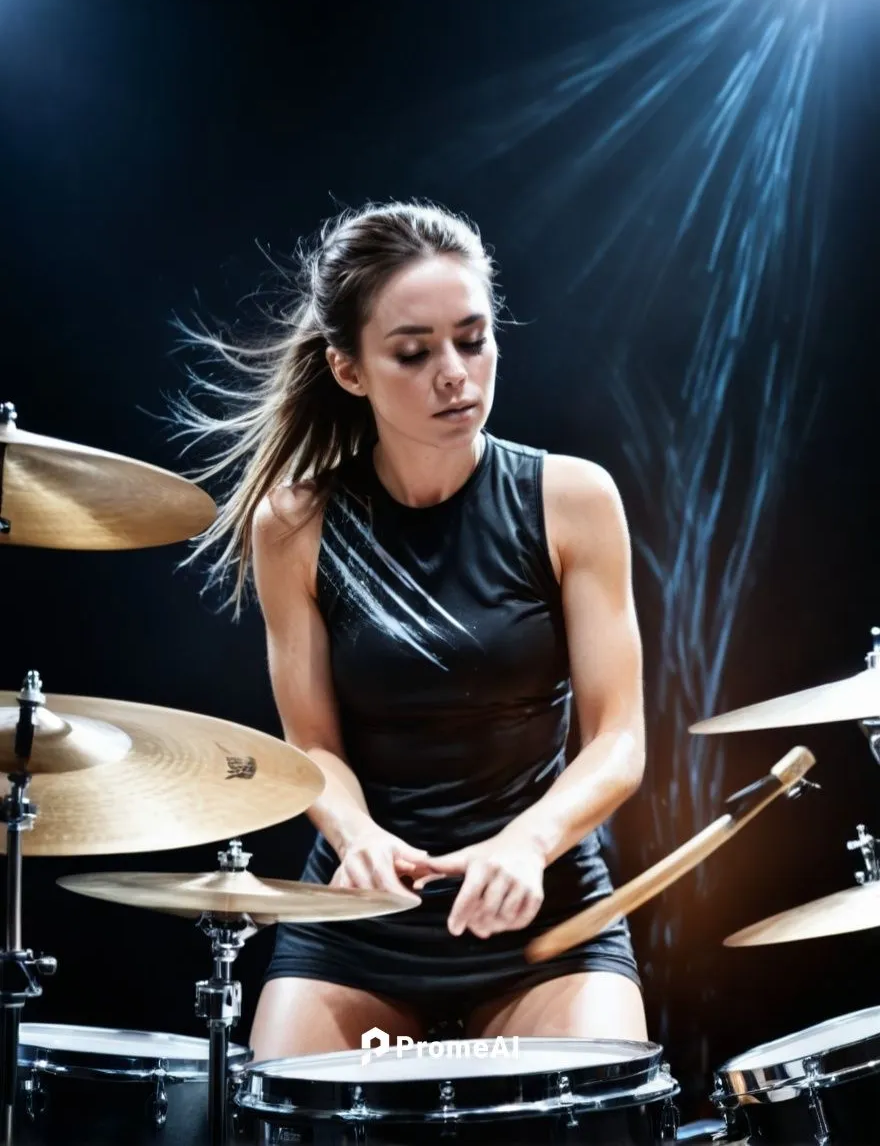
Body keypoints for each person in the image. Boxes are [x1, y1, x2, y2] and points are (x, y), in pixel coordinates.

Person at [178, 200, 648, 1060]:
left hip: (539, 901)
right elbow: (313, 747)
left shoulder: (573, 499)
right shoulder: (294, 524)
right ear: (349, 369)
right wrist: (355, 839)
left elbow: (619, 741)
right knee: (276, 1104)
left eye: (473, 339)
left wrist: (529, 844)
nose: (455, 373)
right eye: (414, 351)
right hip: (363, 919)